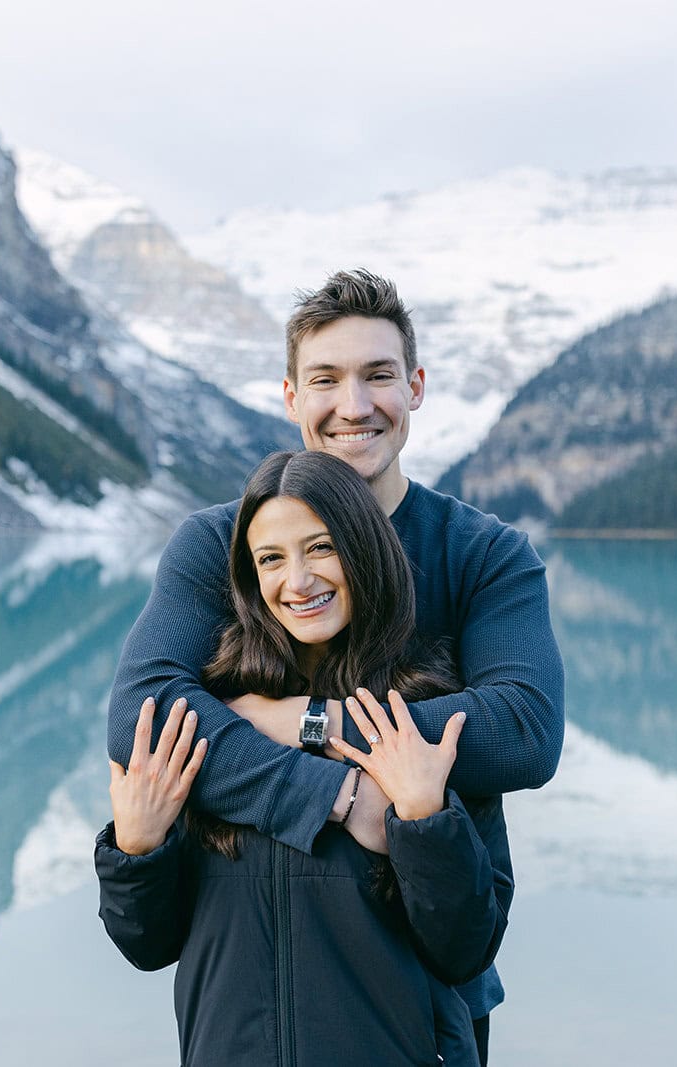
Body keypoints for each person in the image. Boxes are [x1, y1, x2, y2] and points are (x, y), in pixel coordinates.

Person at [108, 269, 565, 1063]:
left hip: (416, 1000)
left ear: (415, 386)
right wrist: (341, 793)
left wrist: (304, 720)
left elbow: (522, 733)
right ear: (291, 397)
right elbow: (141, 718)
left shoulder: (484, 553)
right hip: (246, 1009)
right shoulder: (222, 545)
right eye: (325, 379)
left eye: (378, 375)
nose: (354, 406)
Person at [97, 450, 512, 1066]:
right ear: (249, 577)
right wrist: (136, 847)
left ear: (365, 550)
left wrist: (423, 819)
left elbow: (466, 948)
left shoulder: (420, 714)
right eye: (271, 559)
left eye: (321, 548)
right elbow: (148, 944)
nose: (298, 581)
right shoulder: (212, 713)